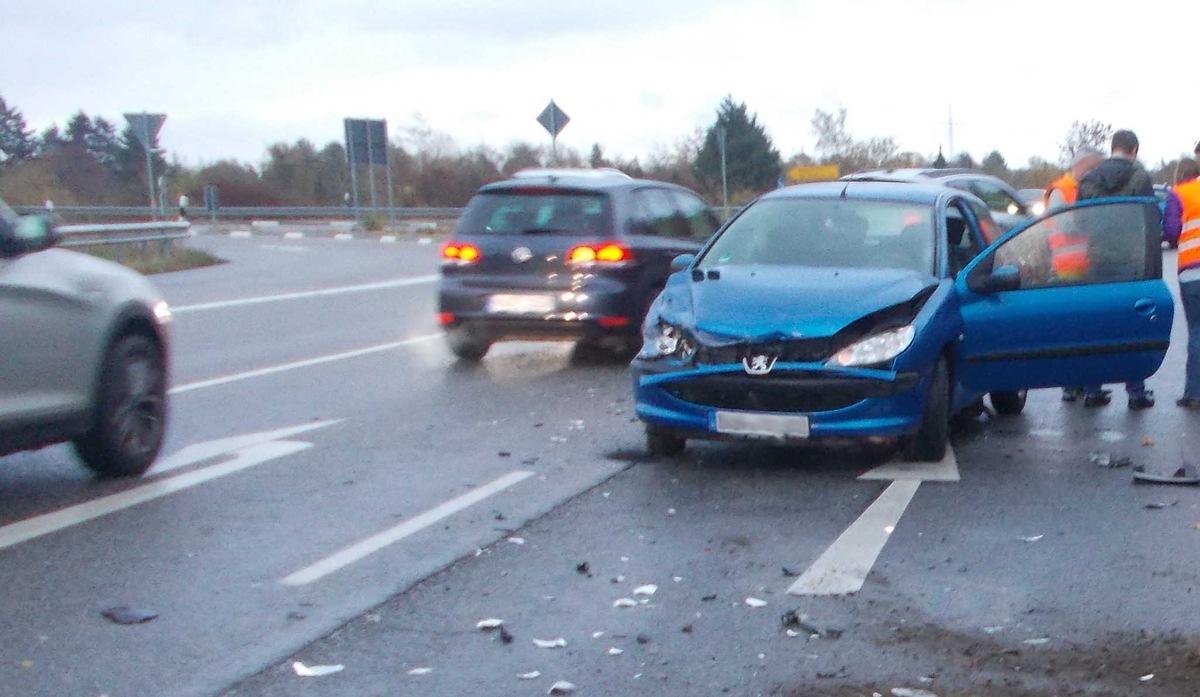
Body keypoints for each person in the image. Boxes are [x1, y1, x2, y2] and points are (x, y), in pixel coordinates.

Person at [1076, 129, 1156, 410]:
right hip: (1130, 264)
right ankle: (1136, 393)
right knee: (1132, 328)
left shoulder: (1087, 181)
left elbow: (1077, 224)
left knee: (1093, 328)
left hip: (1094, 263)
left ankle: (1091, 389)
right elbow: (1150, 223)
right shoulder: (1141, 178)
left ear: (1112, 148)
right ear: (1134, 150)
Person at [1046, 147, 1104, 402]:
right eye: (1093, 167)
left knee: (1084, 331)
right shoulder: (1061, 190)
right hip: (1066, 268)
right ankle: (1070, 385)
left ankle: (1080, 383)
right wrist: (1095, 222)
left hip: (1084, 267)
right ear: (1083, 165)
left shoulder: (1080, 188)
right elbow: (1064, 225)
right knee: (1071, 333)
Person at [1163, 158, 1200, 408]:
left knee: (1197, 332)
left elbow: (1172, 231)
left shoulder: (1178, 194)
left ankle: (1193, 392)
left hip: (1192, 272)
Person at [1044, 146, 1104, 211]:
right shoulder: (1060, 191)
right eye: (1092, 167)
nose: (1096, 172)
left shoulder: (1094, 188)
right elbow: (1061, 220)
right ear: (1079, 165)